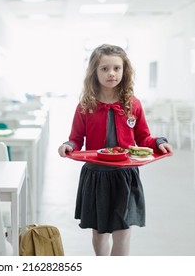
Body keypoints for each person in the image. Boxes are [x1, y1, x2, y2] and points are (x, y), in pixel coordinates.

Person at [57, 44, 173, 256]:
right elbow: (75, 139)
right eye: (105, 69)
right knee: (100, 233)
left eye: (117, 68)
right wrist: (68, 146)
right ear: (94, 72)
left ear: (124, 70)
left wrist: (158, 142)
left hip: (124, 176)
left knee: (123, 232)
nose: (111, 73)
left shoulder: (133, 104)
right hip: (96, 175)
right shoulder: (86, 105)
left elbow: (142, 137)